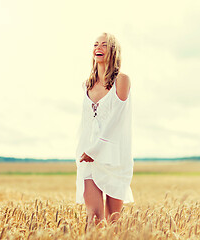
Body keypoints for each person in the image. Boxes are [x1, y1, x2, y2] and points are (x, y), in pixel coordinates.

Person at [75, 32, 134, 227]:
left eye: (104, 44)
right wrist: (84, 151)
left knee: (113, 221)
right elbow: (85, 124)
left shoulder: (122, 80)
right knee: (93, 218)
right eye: (95, 44)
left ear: (113, 51)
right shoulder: (87, 85)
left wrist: (97, 149)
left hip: (114, 157)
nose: (98, 47)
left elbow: (116, 119)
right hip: (89, 158)